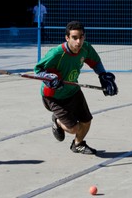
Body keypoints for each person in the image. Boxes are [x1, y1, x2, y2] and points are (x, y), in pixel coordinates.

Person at [34, 21, 118, 155]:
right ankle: (57, 120)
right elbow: (38, 70)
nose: (78, 42)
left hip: (73, 90)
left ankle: (78, 144)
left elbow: (95, 62)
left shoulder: (86, 48)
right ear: (67, 38)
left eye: (81, 37)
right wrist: (50, 78)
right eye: (74, 38)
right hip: (54, 95)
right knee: (73, 128)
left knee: (86, 121)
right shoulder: (56, 54)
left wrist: (103, 76)